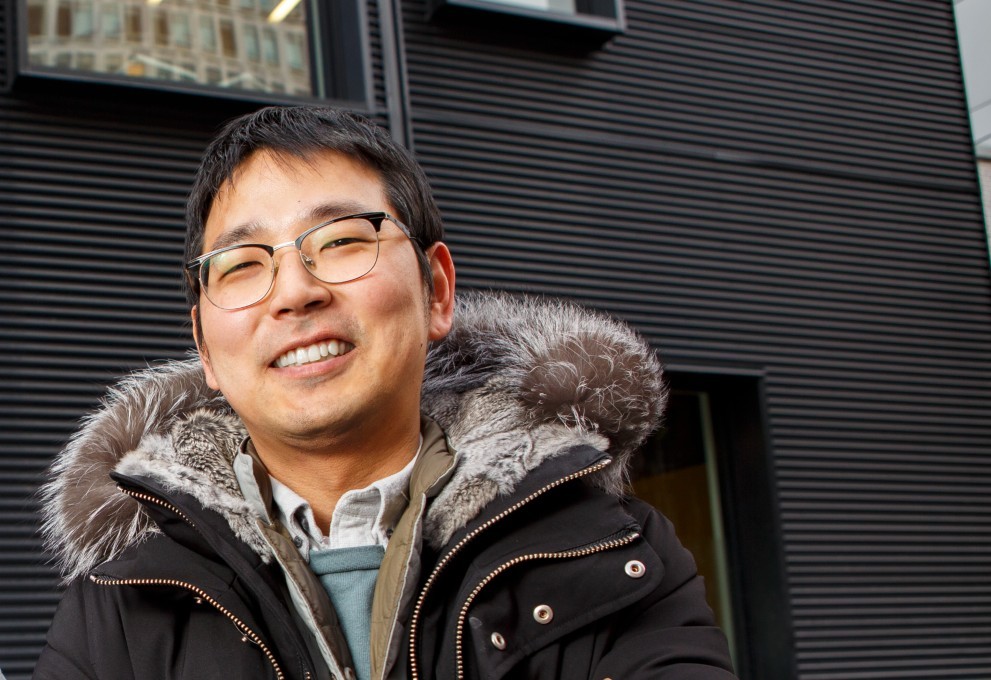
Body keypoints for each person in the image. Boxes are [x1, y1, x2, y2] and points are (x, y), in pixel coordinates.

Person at [34, 106, 737, 680]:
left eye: (342, 241)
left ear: (437, 291)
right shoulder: (118, 609)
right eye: (242, 263)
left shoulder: (614, 554)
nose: (295, 292)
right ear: (205, 346)